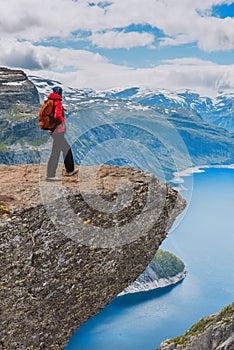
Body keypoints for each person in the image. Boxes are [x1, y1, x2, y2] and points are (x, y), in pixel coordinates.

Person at [46, 86, 77, 181]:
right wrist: (63, 120)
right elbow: (57, 116)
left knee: (65, 149)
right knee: (56, 152)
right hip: (58, 131)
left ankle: (70, 170)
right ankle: (50, 175)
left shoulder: (49, 102)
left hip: (53, 130)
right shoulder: (57, 102)